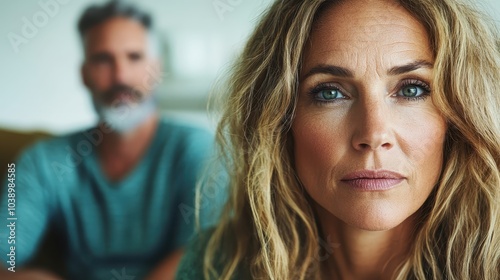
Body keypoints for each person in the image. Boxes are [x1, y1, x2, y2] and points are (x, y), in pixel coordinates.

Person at [176, 0, 500, 279]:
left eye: (411, 89)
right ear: (279, 121)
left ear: (458, 115)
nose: (373, 135)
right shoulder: (218, 264)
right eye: (330, 93)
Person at [0, 1, 222, 279]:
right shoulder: (41, 161)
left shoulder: (199, 150)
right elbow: (5, 256)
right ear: (84, 74)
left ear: (156, 69)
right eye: (103, 59)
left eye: (134, 57)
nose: (120, 75)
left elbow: (204, 252)